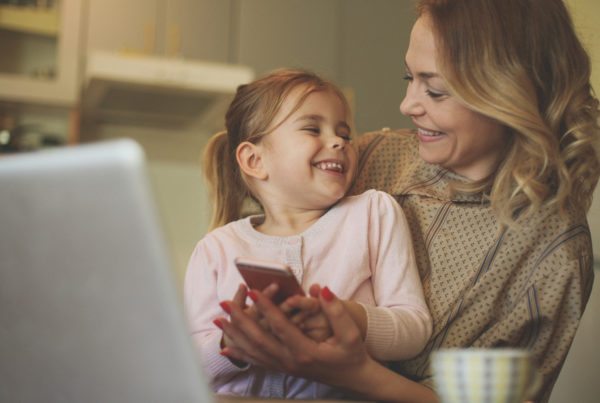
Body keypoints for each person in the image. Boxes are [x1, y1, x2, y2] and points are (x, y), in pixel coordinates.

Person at [214, 1, 600, 402]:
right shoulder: (375, 157)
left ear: (511, 90)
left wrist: (356, 373)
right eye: (409, 77)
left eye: (434, 90)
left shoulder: (554, 253)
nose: (407, 105)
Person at [183, 69, 432, 399]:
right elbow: (188, 364)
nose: (339, 141)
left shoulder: (373, 213)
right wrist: (232, 343)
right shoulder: (215, 248)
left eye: (343, 132)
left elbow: (415, 329)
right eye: (313, 129)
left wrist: (351, 319)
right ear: (255, 160)